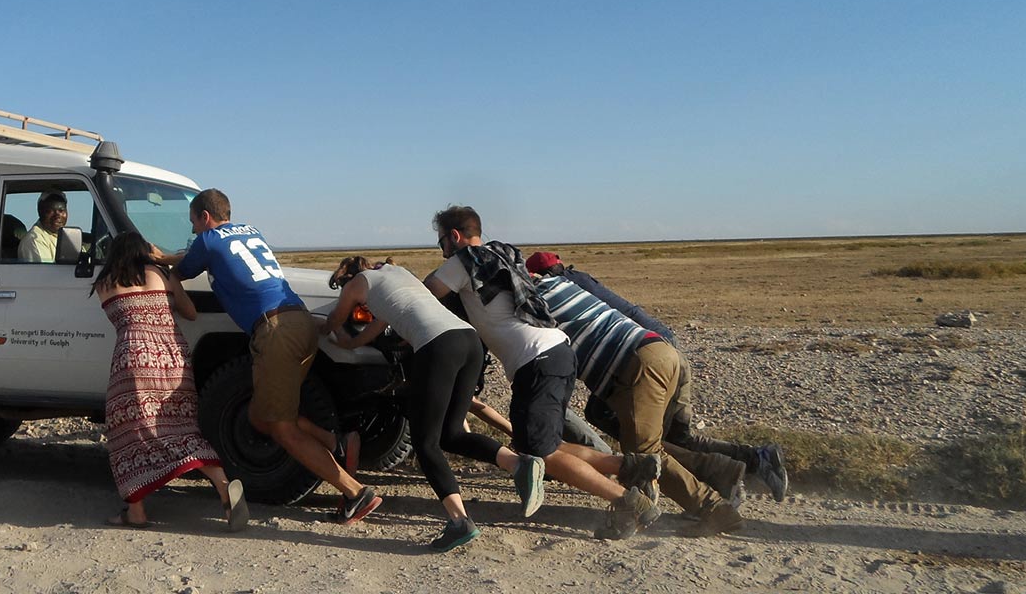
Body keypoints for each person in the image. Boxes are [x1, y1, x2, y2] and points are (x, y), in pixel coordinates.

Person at [423, 207, 664, 540]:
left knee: (539, 454)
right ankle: (630, 467)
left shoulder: (463, 261)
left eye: (441, 244)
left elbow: (426, 296)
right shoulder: (504, 253)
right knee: (538, 445)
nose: (442, 251)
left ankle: (626, 501)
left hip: (536, 361)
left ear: (454, 236)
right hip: (557, 351)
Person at [156, 189, 382, 525]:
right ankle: (335, 441)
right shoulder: (249, 231)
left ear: (205, 216)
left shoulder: (207, 240)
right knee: (262, 417)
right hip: (299, 321)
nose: (193, 231)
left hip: (274, 331)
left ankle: (355, 492)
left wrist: (159, 259)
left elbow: (182, 271)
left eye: (193, 223)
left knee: (280, 427)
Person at [525, 251, 789, 502]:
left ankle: (718, 482)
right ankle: (757, 459)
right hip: (662, 348)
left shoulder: (556, 289)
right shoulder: (579, 279)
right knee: (676, 437)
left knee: (640, 439)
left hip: (643, 359)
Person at [324, 256, 521, 549]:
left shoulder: (357, 284)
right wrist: (349, 343)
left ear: (349, 276)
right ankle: (519, 463)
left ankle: (459, 522)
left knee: (425, 442)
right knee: (451, 434)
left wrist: (328, 332)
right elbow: (366, 335)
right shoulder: (397, 275)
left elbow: (334, 321)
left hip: (439, 346)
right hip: (469, 342)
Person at [91, 230, 248, 531]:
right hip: (173, 357)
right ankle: (222, 484)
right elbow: (189, 313)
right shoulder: (163, 275)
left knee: (131, 431)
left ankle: (135, 511)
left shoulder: (104, 283)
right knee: (181, 427)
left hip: (133, 360)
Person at [18, 191, 68, 262]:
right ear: (40, 212)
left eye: (61, 211)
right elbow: (45, 272)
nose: (57, 216)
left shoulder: (66, 236)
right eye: (50, 211)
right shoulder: (35, 240)